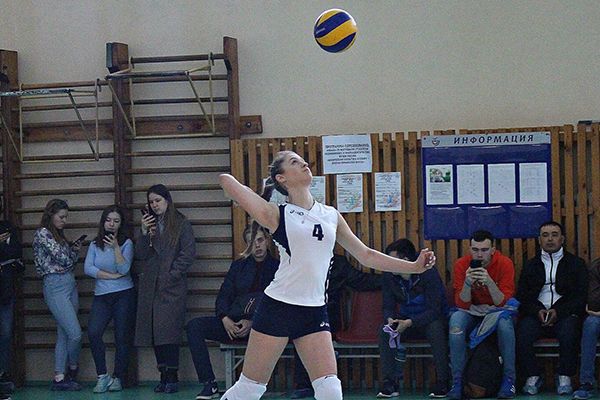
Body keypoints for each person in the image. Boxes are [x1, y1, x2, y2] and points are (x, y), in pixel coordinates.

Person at [218, 150, 435, 400]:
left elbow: (366, 255)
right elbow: (226, 180)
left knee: (330, 390)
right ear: (281, 178)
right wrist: (254, 191)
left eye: (303, 161)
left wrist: (415, 267)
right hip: (278, 307)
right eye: (294, 162)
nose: (304, 164)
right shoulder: (277, 214)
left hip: (314, 311)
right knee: (249, 390)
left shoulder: (330, 215)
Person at [186, 224, 278, 399]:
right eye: (251, 243)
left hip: (262, 328)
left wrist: (253, 322)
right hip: (233, 325)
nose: (257, 246)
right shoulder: (238, 267)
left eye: (260, 240)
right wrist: (224, 318)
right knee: (194, 326)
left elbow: (277, 306)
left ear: (267, 241)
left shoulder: (278, 268)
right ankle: (209, 383)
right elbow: (224, 296)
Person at [291, 253, 382, 399]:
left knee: (311, 327)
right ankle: (305, 384)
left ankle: (322, 382)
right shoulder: (301, 260)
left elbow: (361, 281)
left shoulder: (339, 264)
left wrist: (389, 278)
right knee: (300, 327)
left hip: (329, 314)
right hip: (304, 311)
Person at [134, 184, 196, 394]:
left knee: (169, 332)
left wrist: (172, 274)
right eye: (151, 202)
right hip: (150, 286)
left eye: (158, 201)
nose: (154, 205)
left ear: (167, 200)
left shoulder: (181, 223)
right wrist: (144, 232)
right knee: (154, 332)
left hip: (171, 286)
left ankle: (172, 376)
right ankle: (163, 374)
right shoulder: (150, 225)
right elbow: (140, 254)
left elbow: (188, 253)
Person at [516, 221, 587, 396]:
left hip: (564, 314)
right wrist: (537, 311)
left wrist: (558, 312)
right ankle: (532, 375)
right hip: (536, 314)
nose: (550, 239)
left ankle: (564, 376)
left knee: (570, 330)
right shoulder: (530, 265)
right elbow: (522, 296)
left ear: (562, 239)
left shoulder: (576, 264)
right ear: (539, 239)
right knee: (522, 331)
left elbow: (580, 296)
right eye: (545, 235)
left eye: (554, 235)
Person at [447, 230, 516, 400]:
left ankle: (509, 379)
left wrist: (490, 282)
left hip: (497, 311)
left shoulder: (505, 263)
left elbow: (502, 302)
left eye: (484, 250)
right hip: (471, 311)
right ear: (470, 249)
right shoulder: (461, 264)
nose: (479, 255)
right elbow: (461, 304)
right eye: (475, 250)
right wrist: (467, 283)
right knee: (455, 322)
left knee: (505, 325)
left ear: (493, 250)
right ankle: (457, 381)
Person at [377, 238, 449, 398]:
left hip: (429, 320)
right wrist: (390, 320)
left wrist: (410, 323)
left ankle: (443, 381)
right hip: (405, 320)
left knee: (436, 328)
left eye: (392, 260)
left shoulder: (428, 273)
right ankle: (390, 383)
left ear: (405, 260)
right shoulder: (389, 275)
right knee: (385, 331)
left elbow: (435, 310)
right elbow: (388, 305)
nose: (388, 264)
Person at [32, 199, 83, 391]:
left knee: (64, 333)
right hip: (55, 285)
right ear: (51, 215)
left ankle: (60, 376)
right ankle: (72, 368)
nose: (64, 221)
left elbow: (70, 262)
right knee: (75, 333)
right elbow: (63, 259)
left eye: (66, 217)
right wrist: (70, 254)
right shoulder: (43, 234)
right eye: (61, 217)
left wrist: (74, 252)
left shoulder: (58, 235)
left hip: (69, 283)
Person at [84, 205, 135, 393]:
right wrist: (110, 276)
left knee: (122, 336)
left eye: (116, 221)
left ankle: (118, 377)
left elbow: (124, 269)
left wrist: (115, 248)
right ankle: (102, 375)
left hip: (124, 294)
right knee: (94, 332)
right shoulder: (94, 244)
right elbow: (88, 268)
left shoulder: (126, 243)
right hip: (102, 295)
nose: (111, 224)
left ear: (121, 224)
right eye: (108, 220)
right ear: (103, 222)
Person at [0, 204, 23, 400]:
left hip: (5, 289)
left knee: (6, 334)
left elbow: (15, 253)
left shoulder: (7, 228)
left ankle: (3, 374)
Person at [573, 257, 600, 400]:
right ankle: (587, 382)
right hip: (598, 316)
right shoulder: (597, 267)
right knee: (590, 324)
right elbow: (593, 302)